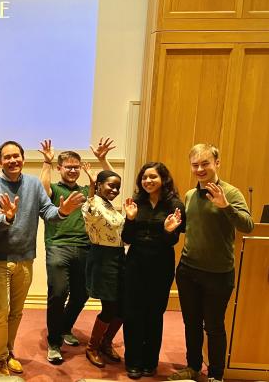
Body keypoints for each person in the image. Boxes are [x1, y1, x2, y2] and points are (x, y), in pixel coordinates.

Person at [0, 141, 85, 376]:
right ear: (0, 161)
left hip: (25, 258)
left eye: (16, 156)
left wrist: (62, 212)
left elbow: (48, 212)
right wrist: (7, 217)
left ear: (23, 158)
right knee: (0, 311)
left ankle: (8, 352)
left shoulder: (33, 184)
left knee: (17, 312)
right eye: (7, 157)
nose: (12, 161)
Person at [169, 144, 254, 382]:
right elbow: (191, 226)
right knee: (191, 323)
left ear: (217, 163)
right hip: (188, 270)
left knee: (214, 327)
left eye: (205, 163)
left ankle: (216, 375)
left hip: (218, 273)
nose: (200, 169)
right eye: (195, 165)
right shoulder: (189, 195)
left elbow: (247, 226)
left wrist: (225, 206)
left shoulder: (231, 193)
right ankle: (193, 368)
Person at [38, 138, 115, 363]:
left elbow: (113, 183)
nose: (72, 170)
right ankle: (54, 343)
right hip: (58, 246)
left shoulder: (86, 190)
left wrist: (102, 160)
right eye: (67, 167)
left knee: (82, 294)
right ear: (60, 169)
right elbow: (43, 192)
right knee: (58, 293)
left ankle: (64, 328)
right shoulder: (54, 188)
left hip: (85, 247)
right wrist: (46, 162)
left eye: (75, 167)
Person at [121, 162, 185, 379]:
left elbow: (172, 241)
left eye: (153, 177)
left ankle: (150, 362)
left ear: (163, 179)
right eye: (144, 177)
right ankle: (133, 362)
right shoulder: (136, 203)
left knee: (154, 315)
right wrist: (130, 219)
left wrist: (168, 231)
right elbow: (127, 238)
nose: (147, 181)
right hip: (135, 264)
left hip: (161, 265)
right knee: (133, 314)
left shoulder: (175, 204)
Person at [81, 167, 124, 368]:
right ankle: (92, 347)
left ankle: (106, 343)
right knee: (109, 307)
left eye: (117, 187)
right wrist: (91, 187)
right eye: (110, 186)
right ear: (99, 186)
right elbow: (90, 212)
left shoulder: (109, 205)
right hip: (103, 258)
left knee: (122, 306)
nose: (114, 190)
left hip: (118, 258)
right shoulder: (93, 203)